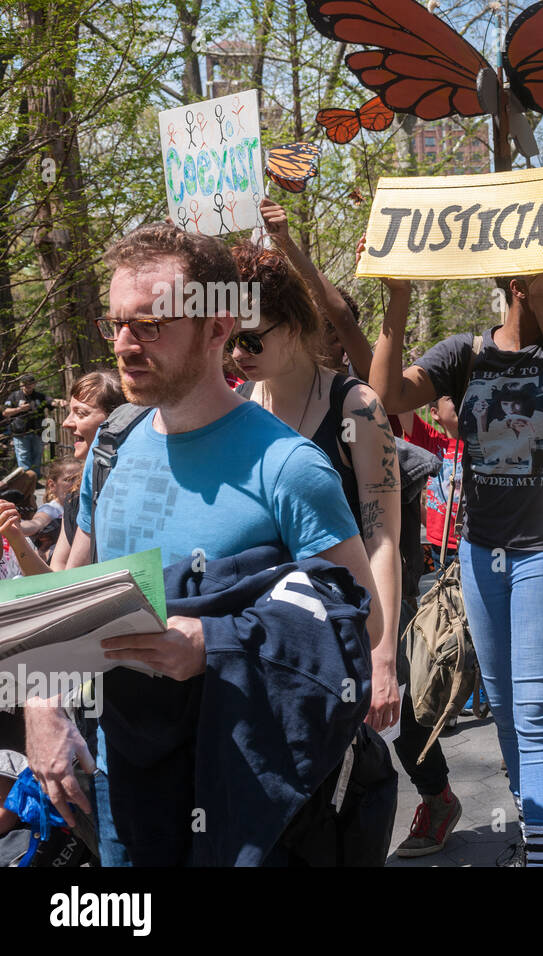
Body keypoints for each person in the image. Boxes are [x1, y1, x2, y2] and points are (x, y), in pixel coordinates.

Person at [21, 223, 381, 866]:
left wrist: (215, 645)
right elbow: (67, 598)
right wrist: (41, 703)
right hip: (125, 790)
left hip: (248, 795)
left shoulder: (289, 466)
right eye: (117, 324)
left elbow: (361, 620)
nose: (126, 345)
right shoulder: (118, 451)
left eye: (151, 324)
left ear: (218, 328)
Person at [370, 234, 543, 867]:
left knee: (536, 706)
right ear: (508, 283)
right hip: (481, 554)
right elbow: (385, 399)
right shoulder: (464, 353)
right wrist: (396, 298)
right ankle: (535, 834)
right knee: (501, 703)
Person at [227, 238, 402, 731]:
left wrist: (383, 655)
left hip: (338, 636)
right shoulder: (233, 405)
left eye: (252, 339)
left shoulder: (357, 406)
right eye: (230, 340)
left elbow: (381, 538)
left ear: (297, 325)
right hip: (256, 638)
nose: (239, 353)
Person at [0, 371, 126, 575]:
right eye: (70, 412)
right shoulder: (76, 497)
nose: (66, 423)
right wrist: (15, 535)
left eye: (81, 413)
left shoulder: (133, 490)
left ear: (120, 419)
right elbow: (60, 581)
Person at [3, 374, 50, 473]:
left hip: (37, 432)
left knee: (37, 457)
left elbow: (51, 402)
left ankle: (35, 481)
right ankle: (26, 481)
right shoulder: (14, 396)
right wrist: (19, 409)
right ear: (20, 384)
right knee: (23, 457)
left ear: (34, 384)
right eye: (24, 384)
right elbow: (5, 412)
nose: (27, 386)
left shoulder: (39, 396)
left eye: (30, 383)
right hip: (20, 433)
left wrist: (59, 402)